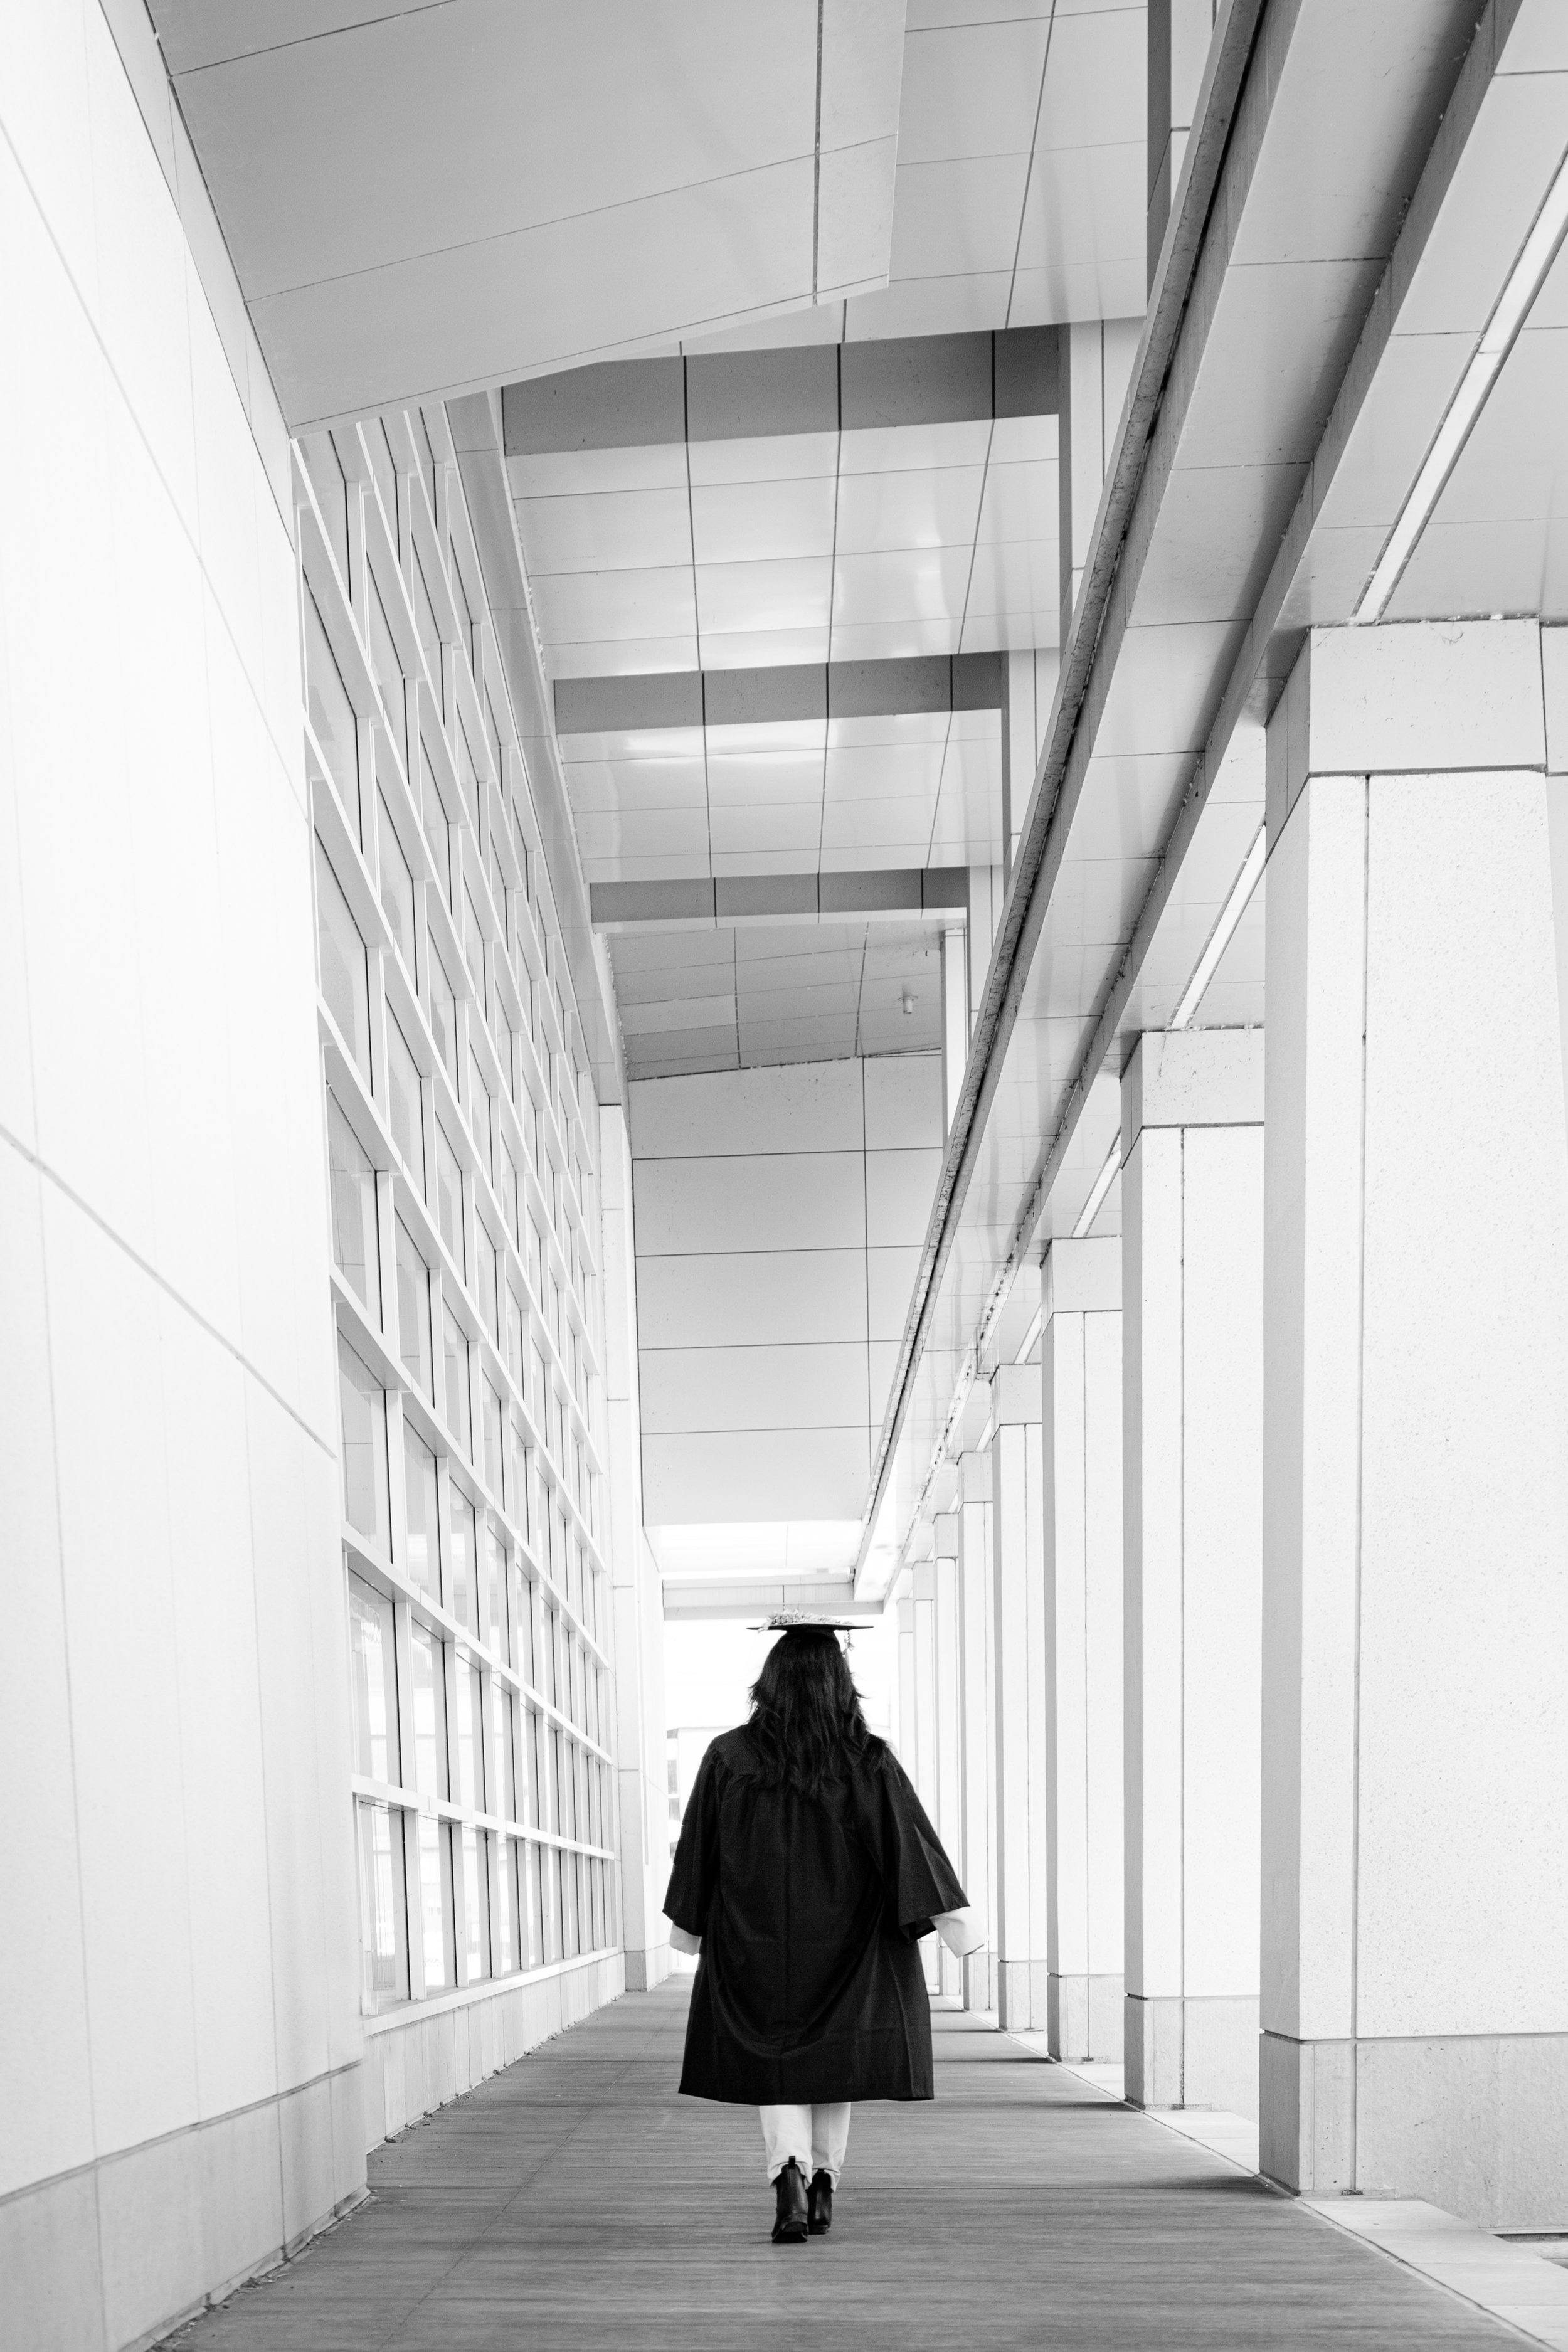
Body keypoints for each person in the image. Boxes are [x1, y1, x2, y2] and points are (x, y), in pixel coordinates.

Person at [662, 1621, 985, 2244]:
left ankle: (787, 2174)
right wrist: (956, 1927)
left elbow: (698, 1848)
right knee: (835, 2059)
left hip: (755, 1941)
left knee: (774, 2060)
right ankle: (825, 2185)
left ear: (770, 1683)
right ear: (840, 1684)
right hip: (851, 1943)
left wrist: (691, 1933)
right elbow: (907, 1847)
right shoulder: (867, 1759)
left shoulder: (729, 1755)